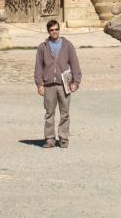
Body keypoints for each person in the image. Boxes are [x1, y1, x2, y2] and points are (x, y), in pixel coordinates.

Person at [34, 18, 82, 148]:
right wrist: (39, 84)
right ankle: (50, 139)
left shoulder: (68, 45)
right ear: (48, 32)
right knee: (49, 113)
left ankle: (63, 139)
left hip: (64, 83)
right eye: (51, 30)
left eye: (56, 29)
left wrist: (76, 82)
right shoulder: (42, 47)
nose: (54, 32)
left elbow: (75, 64)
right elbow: (38, 67)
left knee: (65, 113)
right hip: (49, 84)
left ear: (59, 30)